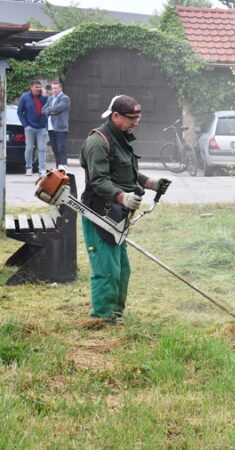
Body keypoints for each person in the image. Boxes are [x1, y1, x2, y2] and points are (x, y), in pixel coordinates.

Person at [79, 95, 169, 326]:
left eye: (138, 118)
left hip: (117, 211)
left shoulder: (120, 137)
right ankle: (102, 317)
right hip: (99, 210)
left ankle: (116, 314)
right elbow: (99, 181)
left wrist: (151, 183)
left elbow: (126, 171)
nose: (136, 123)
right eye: (132, 118)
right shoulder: (98, 142)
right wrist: (121, 196)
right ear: (116, 115)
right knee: (106, 269)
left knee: (122, 269)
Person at [17, 80, 49, 176]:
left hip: (42, 128)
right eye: (36, 87)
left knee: (42, 149)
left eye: (40, 87)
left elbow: (47, 107)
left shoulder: (44, 97)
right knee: (29, 148)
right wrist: (25, 125)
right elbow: (19, 111)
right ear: (31, 87)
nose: (38, 88)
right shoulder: (25, 97)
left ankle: (42, 169)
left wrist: (44, 95)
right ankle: (29, 168)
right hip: (29, 127)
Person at [43, 81, 71, 172]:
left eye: (56, 88)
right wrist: (51, 111)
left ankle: (63, 168)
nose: (54, 90)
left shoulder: (65, 98)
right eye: (52, 88)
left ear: (60, 88)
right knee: (55, 149)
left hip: (60, 128)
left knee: (60, 148)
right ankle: (58, 169)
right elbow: (43, 110)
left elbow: (57, 108)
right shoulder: (50, 99)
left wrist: (50, 110)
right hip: (51, 128)